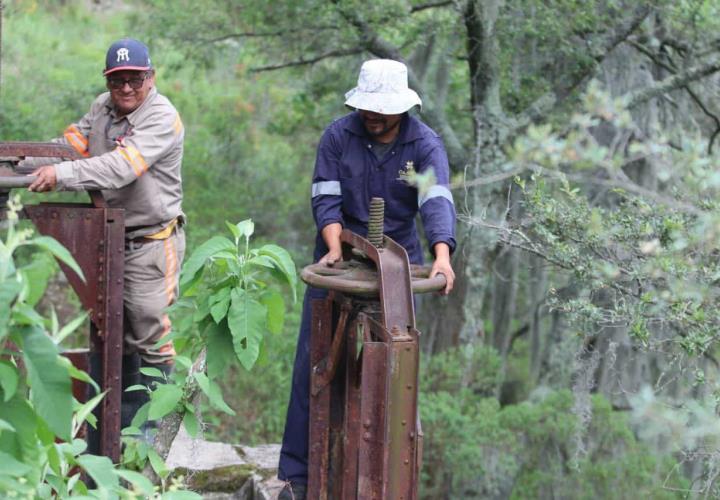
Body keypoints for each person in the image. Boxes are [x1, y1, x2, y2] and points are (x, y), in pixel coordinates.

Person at [278, 59, 456, 500]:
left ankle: (388, 478)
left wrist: (442, 255)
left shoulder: (423, 146)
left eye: (383, 110)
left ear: (402, 108)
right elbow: (326, 196)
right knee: (314, 366)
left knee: (396, 371)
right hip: (339, 260)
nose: (374, 117)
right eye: (368, 109)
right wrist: (335, 248)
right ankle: (301, 477)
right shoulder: (339, 136)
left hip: (397, 271)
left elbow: (435, 199)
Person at [25, 38, 185, 429]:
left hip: (149, 242)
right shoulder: (102, 106)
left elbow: (120, 167)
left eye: (135, 79)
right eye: (118, 81)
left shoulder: (162, 117)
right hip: (107, 239)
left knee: (150, 332)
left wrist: (59, 177)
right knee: (107, 329)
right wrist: (22, 161)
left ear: (151, 77)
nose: (126, 88)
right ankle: (109, 430)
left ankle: (149, 436)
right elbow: (69, 147)